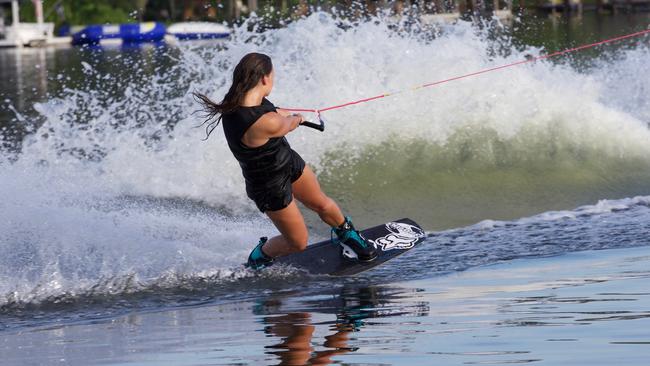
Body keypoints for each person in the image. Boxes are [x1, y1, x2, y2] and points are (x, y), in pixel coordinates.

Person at [194, 52, 378, 269]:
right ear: (264, 78)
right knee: (298, 243)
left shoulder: (242, 101)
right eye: (273, 77)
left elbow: (274, 111)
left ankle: (348, 235)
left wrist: (288, 114)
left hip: (287, 161)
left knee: (321, 202)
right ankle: (259, 255)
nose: (273, 81)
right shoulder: (263, 122)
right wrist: (297, 119)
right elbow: (284, 124)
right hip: (268, 185)